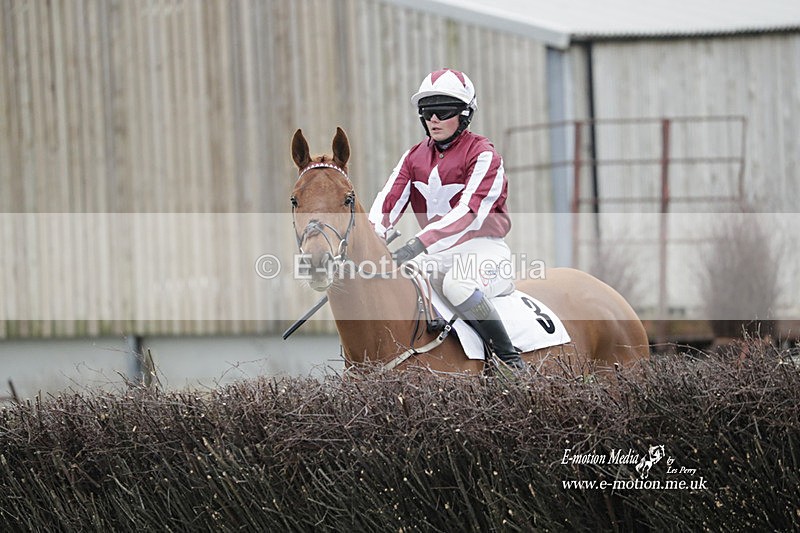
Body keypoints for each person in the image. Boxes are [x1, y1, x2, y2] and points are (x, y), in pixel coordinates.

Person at [368, 68, 525, 370]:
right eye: (427, 112)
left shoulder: (484, 155)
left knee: (457, 285)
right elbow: (386, 203)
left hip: (483, 247)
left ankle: (510, 362)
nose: (433, 119)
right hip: (435, 251)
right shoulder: (413, 157)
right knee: (394, 282)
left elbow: (468, 213)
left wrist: (418, 244)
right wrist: (373, 241)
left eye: (443, 111)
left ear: (465, 114)